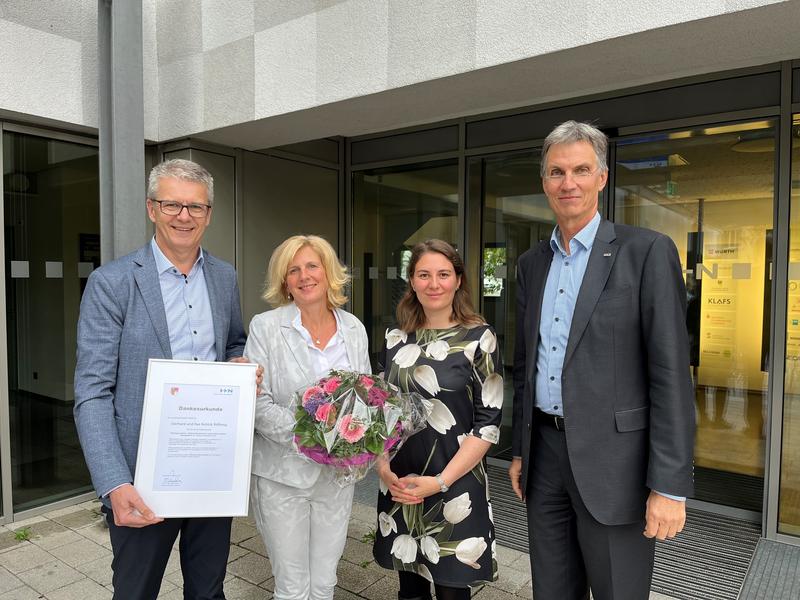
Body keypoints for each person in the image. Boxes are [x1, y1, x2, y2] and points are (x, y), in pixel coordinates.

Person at [508, 121, 695, 600]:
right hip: (545, 459)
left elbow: (671, 376)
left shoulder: (646, 252)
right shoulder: (532, 265)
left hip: (617, 467)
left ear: (602, 177)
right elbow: (526, 365)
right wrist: (519, 449)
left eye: (580, 170)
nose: (568, 183)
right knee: (551, 591)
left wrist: (670, 485)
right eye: (556, 172)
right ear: (544, 182)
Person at [74, 159, 261, 599]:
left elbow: (233, 344)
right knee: (136, 591)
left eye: (195, 207)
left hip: (211, 469)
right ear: (151, 209)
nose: (184, 216)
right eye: (172, 204)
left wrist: (240, 366)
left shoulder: (223, 276)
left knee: (208, 591)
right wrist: (114, 484)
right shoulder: (111, 282)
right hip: (142, 479)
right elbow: (92, 393)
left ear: (209, 214)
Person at [373, 239, 503, 600]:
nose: (434, 283)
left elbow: (488, 423)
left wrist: (441, 482)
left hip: (454, 482)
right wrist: (383, 469)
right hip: (401, 482)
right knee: (410, 589)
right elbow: (381, 412)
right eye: (424, 274)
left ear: (458, 280)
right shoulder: (395, 339)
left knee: (451, 591)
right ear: (411, 281)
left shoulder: (480, 338)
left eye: (443, 274)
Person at [244, 234, 371, 600]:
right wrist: (313, 438)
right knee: (292, 586)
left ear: (328, 272)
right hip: (282, 477)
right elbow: (258, 402)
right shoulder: (265, 327)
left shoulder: (353, 328)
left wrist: (357, 436)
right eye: (293, 270)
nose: (304, 276)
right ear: (284, 281)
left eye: (312, 266)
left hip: (337, 480)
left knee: (324, 583)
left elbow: (364, 396)